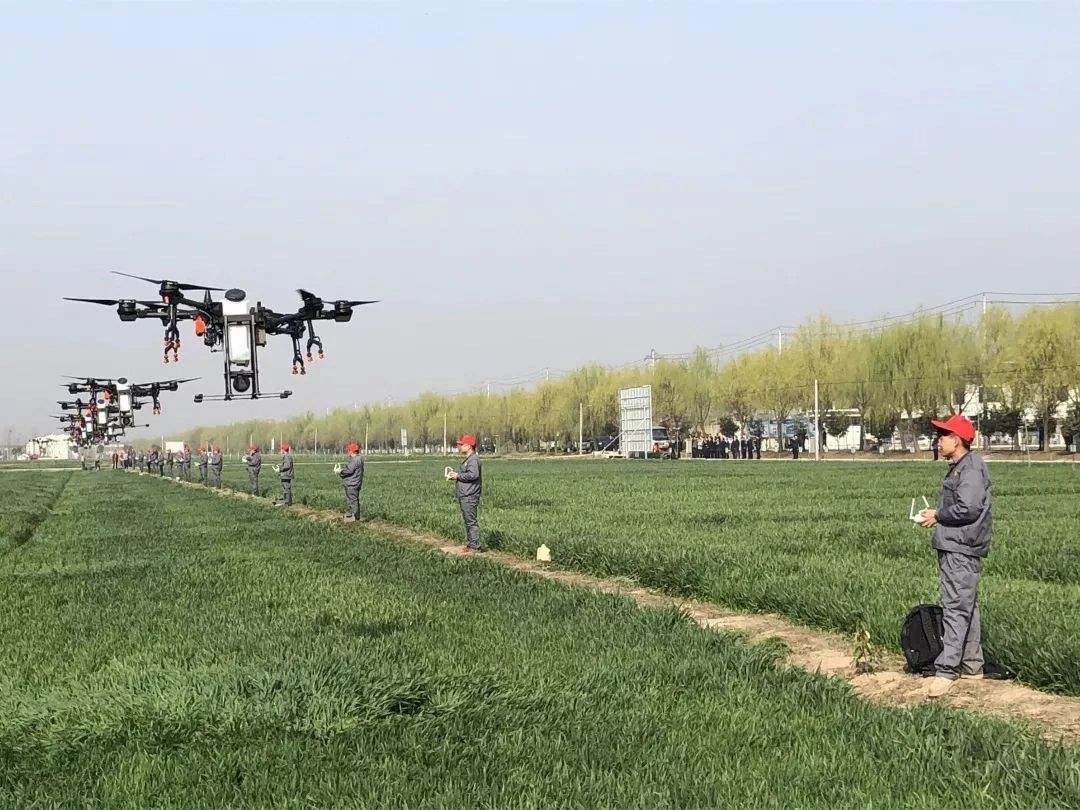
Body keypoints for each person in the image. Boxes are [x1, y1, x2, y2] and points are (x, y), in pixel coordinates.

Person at [916, 414, 992, 698]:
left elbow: (968, 508)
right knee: (967, 605)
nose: (939, 441)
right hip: (956, 545)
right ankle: (972, 666)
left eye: (943, 436)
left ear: (957, 440)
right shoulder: (961, 467)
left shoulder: (970, 468)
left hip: (961, 547)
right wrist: (938, 517)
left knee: (956, 607)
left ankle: (947, 670)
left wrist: (938, 515)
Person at [448, 434, 483, 553]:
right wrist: (456, 476)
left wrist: (458, 476)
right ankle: (471, 544)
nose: (460, 446)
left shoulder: (473, 460)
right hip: (465, 494)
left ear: (469, 446)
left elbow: (474, 475)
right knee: (467, 520)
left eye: (462, 444)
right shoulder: (469, 460)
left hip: (470, 495)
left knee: (470, 521)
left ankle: (474, 546)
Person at [337, 442, 364, 521]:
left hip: (352, 484)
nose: (347, 452)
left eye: (348, 450)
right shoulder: (358, 459)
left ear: (351, 451)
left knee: (353, 500)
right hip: (354, 483)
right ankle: (350, 514)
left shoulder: (355, 460)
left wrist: (340, 471)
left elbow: (349, 470)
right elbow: (350, 468)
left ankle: (355, 517)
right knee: (351, 499)